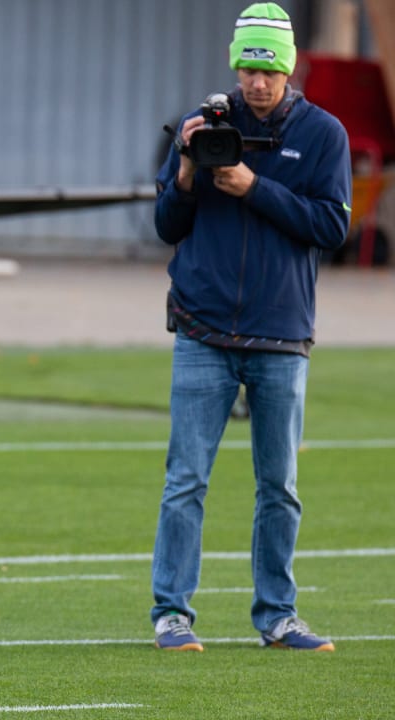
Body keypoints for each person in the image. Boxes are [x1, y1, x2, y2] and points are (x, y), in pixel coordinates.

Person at [151, 2, 351, 652]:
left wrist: (252, 186)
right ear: (235, 64)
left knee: (280, 487)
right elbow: (165, 225)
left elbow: (331, 227)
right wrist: (185, 173)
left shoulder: (324, 136)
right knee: (186, 479)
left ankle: (277, 615)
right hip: (203, 329)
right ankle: (172, 614)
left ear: (288, 70)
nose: (256, 84)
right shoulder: (205, 125)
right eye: (247, 68)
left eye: (268, 71)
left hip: (282, 335)